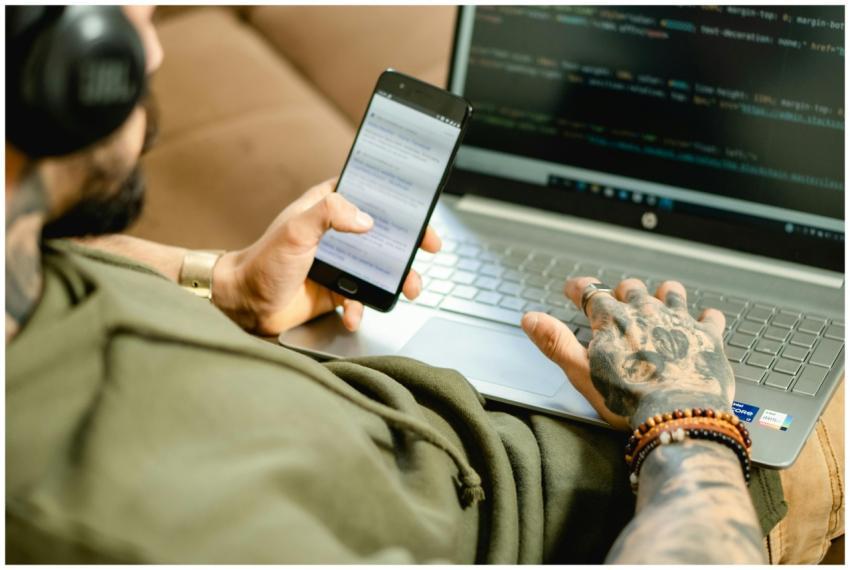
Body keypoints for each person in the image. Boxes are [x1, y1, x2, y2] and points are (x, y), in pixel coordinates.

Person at [5, 5, 839, 564]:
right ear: (59, 79)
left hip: (364, 384)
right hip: (636, 492)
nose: (154, 50)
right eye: (127, 23)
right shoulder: (100, 524)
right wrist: (687, 419)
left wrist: (222, 282)